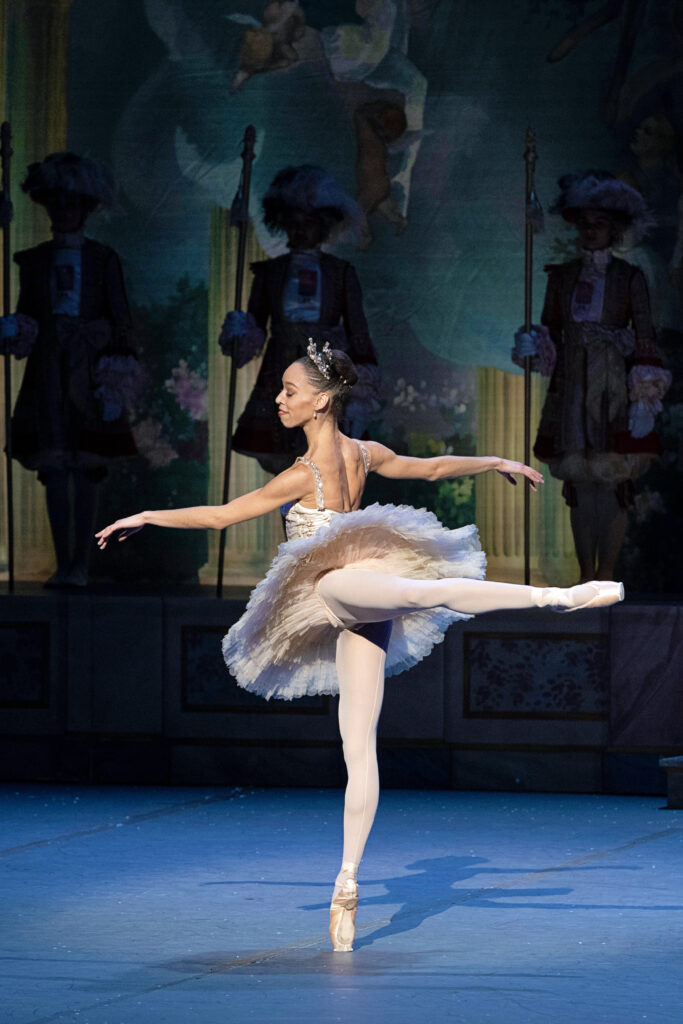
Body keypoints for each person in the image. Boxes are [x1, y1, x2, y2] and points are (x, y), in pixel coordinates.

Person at [96, 341, 623, 952]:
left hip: (344, 589)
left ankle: (556, 598)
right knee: (386, 676)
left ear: (321, 400)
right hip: (350, 597)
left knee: (404, 641)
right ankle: (346, 883)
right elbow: (426, 469)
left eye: (290, 391)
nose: (279, 399)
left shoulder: (308, 472)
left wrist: (145, 514)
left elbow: (222, 517)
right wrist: (491, 461)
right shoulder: (360, 453)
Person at [513, 171, 670, 583]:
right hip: (572, 386)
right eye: (584, 222)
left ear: (613, 229)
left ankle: (607, 570)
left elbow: (645, 336)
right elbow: (549, 329)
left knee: (613, 480)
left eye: (598, 223)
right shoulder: (561, 277)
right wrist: (533, 344)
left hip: (614, 387)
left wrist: (644, 396)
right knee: (581, 488)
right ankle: (586, 574)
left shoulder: (629, 278)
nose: (590, 230)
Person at [0, 152, 138, 587]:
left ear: (87, 207)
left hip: (91, 372)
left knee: (87, 465)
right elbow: (28, 313)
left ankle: (83, 562)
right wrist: (16, 328)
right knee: (55, 467)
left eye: (71, 203)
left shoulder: (102, 259)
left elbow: (120, 318)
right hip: (47, 372)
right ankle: (65, 561)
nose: (63, 212)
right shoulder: (35, 261)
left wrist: (113, 375)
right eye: (55, 203)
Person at [219, 164, 381, 474]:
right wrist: (241, 333)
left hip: (325, 369)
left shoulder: (340, 273)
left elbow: (358, 331)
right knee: (285, 462)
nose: (300, 229)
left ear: (323, 225)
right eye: (293, 222)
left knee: (328, 460)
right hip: (280, 368)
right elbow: (255, 326)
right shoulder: (269, 273)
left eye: (308, 221)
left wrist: (361, 382)